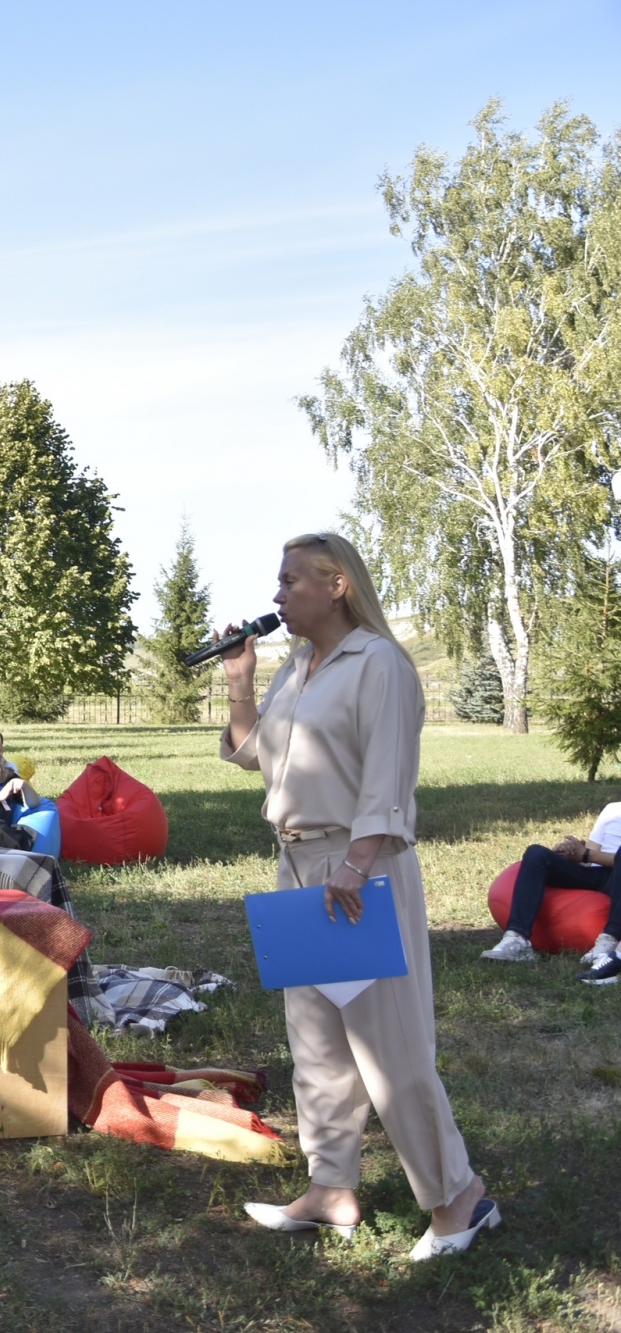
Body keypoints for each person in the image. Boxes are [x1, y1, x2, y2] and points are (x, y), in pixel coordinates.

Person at [222, 532, 494, 1261]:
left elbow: (389, 772)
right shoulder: (297, 669)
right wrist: (241, 682)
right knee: (315, 1042)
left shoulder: (379, 663)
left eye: (290, 580)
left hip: (358, 869)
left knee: (389, 1048)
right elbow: (256, 755)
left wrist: (358, 861)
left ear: (337, 583)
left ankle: (457, 1196)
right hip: (297, 867)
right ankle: (332, 1188)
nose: (276, 595)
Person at [480, 816, 621, 981]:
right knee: (537, 853)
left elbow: (590, 855)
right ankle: (517, 939)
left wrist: (587, 855)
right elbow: (587, 858)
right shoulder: (612, 810)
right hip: (594, 873)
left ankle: (609, 940)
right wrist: (572, 852)